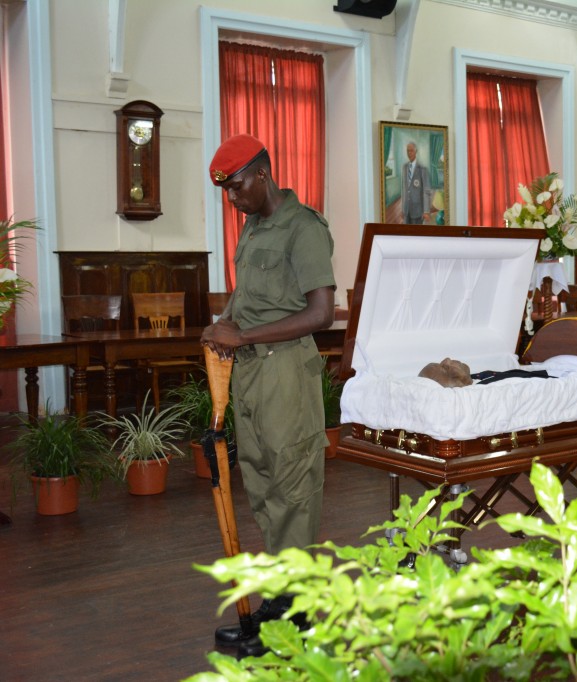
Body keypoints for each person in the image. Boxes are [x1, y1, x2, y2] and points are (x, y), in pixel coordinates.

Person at [203, 134, 336, 655]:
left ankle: (296, 618)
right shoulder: (254, 227)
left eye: (237, 186)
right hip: (253, 374)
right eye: (227, 191)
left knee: (293, 491)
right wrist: (224, 322)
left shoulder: (304, 227)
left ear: (262, 173)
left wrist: (244, 336)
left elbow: (321, 314)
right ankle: (281, 604)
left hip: (286, 373)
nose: (233, 198)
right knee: (262, 488)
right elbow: (246, 297)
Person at [401, 141, 433, 224]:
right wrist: (402, 208)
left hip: (418, 210)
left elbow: (426, 191)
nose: (409, 153)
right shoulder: (404, 168)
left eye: (411, 151)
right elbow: (403, 189)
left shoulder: (422, 169)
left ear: (416, 151)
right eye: (408, 151)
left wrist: (426, 211)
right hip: (406, 210)